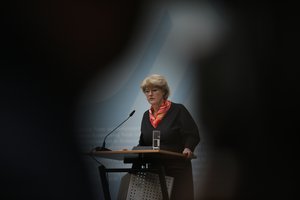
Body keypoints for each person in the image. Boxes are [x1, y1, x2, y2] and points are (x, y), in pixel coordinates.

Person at [138, 74, 200, 200]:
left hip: (176, 169)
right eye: (147, 91)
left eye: (154, 90)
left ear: (164, 92)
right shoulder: (146, 116)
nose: (150, 94)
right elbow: (143, 141)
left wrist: (188, 148)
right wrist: (134, 151)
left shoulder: (178, 110)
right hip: (154, 171)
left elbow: (192, 134)